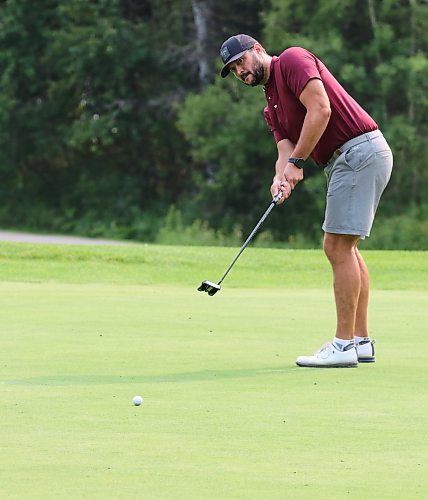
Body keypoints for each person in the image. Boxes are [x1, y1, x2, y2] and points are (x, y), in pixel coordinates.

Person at [219, 34, 393, 368]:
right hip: (350, 157)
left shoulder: (292, 61)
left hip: (357, 151)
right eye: (233, 69)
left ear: (258, 50)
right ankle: (360, 341)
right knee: (347, 247)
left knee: (336, 248)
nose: (240, 72)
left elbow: (321, 109)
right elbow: (284, 149)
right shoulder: (271, 105)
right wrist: (281, 177)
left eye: (241, 61)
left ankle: (343, 346)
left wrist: (298, 165)